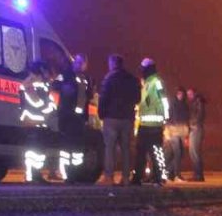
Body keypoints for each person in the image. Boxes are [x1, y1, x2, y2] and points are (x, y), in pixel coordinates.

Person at [97, 54, 139, 184]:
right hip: (127, 118)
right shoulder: (132, 79)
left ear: (113, 64)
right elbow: (137, 98)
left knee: (110, 148)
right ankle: (126, 177)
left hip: (111, 117)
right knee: (126, 149)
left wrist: (101, 113)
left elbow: (103, 97)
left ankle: (109, 176)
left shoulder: (109, 79)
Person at [131, 57, 168, 186]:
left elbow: (164, 100)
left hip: (155, 124)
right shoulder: (146, 83)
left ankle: (160, 177)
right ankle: (138, 178)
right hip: (144, 124)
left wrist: (165, 119)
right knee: (140, 152)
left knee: (156, 152)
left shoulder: (156, 82)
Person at [19, 60, 57, 183]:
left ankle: (35, 174)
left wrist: (50, 105)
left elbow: (49, 99)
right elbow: (36, 102)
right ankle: (33, 175)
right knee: (34, 149)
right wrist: (47, 107)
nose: (47, 74)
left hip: (39, 121)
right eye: (45, 71)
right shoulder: (29, 84)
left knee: (38, 149)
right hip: (32, 120)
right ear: (40, 71)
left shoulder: (40, 84)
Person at [54, 54, 89, 182]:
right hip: (67, 116)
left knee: (77, 148)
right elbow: (55, 85)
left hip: (79, 119)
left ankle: (76, 173)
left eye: (82, 63)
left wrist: (85, 117)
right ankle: (65, 173)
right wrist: (65, 88)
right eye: (77, 62)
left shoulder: (86, 78)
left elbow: (87, 96)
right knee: (67, 145)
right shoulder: (65, 74)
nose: (79, 65)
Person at [163, 87, 189, 181]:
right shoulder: (173, 104)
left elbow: (185, 120)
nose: (181, 96)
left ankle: (170, 173)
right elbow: (170, 118)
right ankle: (176, 174)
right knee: (177, 153)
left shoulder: (184, 105)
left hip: (180, 132)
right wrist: (168, 130)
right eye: (179, 94)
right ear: (177, 94)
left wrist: (186, 134)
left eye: (182, 94)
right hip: (173, 131)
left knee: (179, 154)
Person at [186, 87, 206, 182]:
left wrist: (192, 123)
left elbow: (199, 115)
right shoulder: (194, 102)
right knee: (192, 152)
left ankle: (198, 175)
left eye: (190, 94)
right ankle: (197, 174)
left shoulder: (198, 102)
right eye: (188, 94)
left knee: (195, 152)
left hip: (196, 128)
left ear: (194, 93)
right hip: (194, 128)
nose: (189, 96)